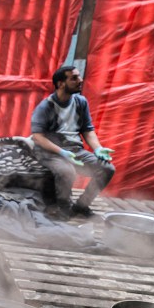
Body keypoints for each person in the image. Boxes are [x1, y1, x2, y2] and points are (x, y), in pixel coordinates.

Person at [30, 66, 115, 218]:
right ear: (61, 84)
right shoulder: (46, 106)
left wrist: (97, 149)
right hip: (50, 152)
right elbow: (38, 137)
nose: (80, 80)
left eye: (79, 77)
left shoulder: (80, 102)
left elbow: (87, 130)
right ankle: (63, 207)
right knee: (67, 171)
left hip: (75, 150)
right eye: (74, 78)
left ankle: (82, 206)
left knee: (107, 168)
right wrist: (62, 152)